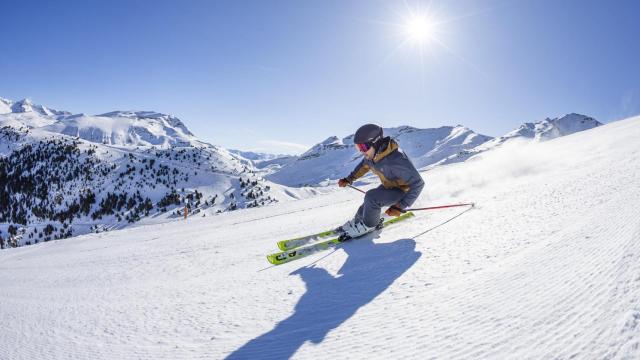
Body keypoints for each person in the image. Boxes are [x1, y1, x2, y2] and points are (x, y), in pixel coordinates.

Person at [337, 124, 424, 238]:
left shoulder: (396, 158)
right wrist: (349, 179)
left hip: (403, 192)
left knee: (372, 197)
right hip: (389, 187)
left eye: (363, 147)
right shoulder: (373, 155)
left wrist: (400, 206)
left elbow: (418, 183)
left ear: (376, 142)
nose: (362, 152)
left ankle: (369, 225)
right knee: (368, 202)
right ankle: (358, 221)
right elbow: (363, 166)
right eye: (358, 148)